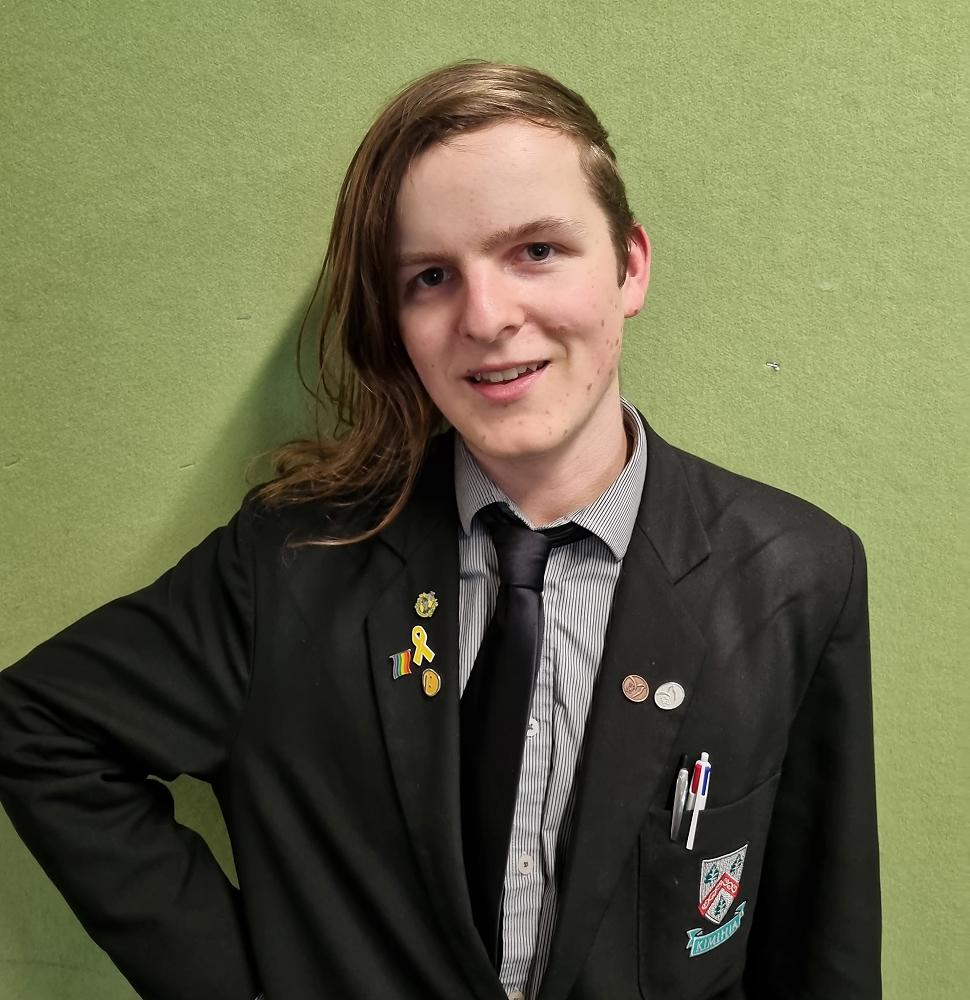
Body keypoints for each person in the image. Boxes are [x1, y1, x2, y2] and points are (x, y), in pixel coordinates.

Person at [0, 60, 880, 1000]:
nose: (487, 318)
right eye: (430, 277)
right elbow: (39, 725)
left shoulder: (793, 575)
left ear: (630, 266)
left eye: (536, 250)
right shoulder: (295, 563)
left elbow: (820, 942)